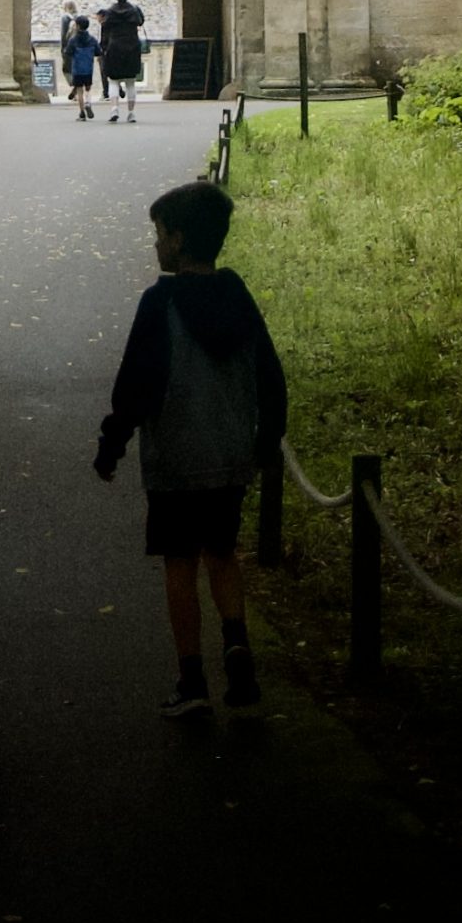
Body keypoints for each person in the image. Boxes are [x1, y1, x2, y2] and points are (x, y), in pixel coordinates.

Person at [94, 180, 287, 719]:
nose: (155, 245)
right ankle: (240, 660)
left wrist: (112, 443)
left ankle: (192, 679)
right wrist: (266, 440)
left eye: (158, 235)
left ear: (177, 239)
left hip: (176, 459)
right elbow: (270, 375)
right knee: (222, 555)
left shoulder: (160, 303)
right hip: (230, 455)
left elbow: (135, 385)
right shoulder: (238, 296)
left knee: (180, 564)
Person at [99, 0, 147, 123]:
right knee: (130, 82)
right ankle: (131, 113)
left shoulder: (110, 12)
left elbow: (104, 29)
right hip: (132, 47)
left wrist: (103, 47)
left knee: (113, 81)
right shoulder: (134, 10)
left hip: (115, 48)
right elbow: (141, 21)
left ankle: (114, 109)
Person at [63, 12, 99, 120]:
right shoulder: (92, 39)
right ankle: (88, 102)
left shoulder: (73, 40)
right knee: (88, 88)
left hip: (77, 68)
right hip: (88, 68)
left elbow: (67, 52)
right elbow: (98, 51)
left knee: (79, 90)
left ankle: (82, 112)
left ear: (77, 26)